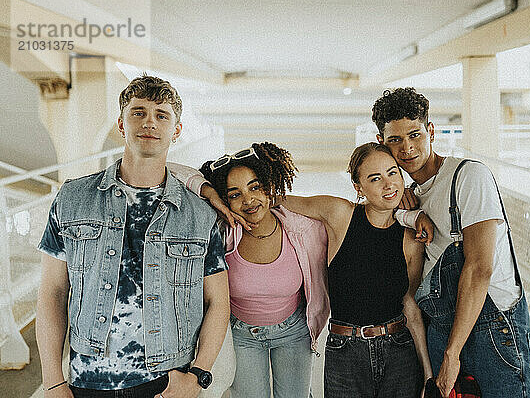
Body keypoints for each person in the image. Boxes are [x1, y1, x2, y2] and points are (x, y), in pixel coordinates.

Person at [36, 75, 230, 398]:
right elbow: (53, 292)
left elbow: (218, 302)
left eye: (161, 115)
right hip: (87, 382)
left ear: (177, 130)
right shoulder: (72, 199)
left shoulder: (199, 215)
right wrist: (53, 381)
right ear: (122, 124)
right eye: (138, 112)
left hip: (165, 383)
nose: (149, 122)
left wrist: (197, 377)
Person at [372, 87, 530, 398]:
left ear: (431, 131)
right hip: (444, 326)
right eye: (395, 139)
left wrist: (452, 354)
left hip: (492, 328)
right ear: (383, 143)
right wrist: (406, 214)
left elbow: (479, 268)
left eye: (415, 135)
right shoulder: (411, 197)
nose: (407, 148)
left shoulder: (469, 176)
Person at [277, 142, 434, 398]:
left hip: (398, 350)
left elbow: (410, 304)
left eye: (393, 173)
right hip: (345, 351)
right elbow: (276, 202)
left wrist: (428, 374)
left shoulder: (409, 238)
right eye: (375, 179)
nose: (388, 184)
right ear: (358, 187)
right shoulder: (340, 214)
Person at [187, 142, 329, 398]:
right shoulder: (222, 233)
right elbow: (173, 173)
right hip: (242, 336)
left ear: (269, 187)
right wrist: (208, 192)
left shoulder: (302, 229)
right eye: (234, 194)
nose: (248, 200)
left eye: (255, 187)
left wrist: (407, 213)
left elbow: (357, 214)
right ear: (224, 200)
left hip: (293, 333)